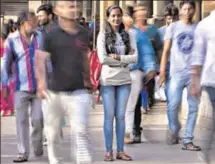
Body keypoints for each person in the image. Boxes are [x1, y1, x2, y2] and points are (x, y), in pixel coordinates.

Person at [35, 1, 93, 164]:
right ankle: (54, 157)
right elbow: (40, 59)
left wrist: (88, 79)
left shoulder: (83, 32)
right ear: (57, 11)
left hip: (78, 89)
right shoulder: (50, 34)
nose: (74, 9)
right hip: (54, 91)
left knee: (80, 129)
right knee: (53, 133)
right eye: (69, 6)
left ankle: (82, 159)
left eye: (75, 6)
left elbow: (84, 57)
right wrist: (41, 84)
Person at [1, 11, 44, 163]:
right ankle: (23, 152)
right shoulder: (11, 40)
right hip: (20, 87)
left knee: (38, 119)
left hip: (39, 87)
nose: (35, 24)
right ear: (22, 23)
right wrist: (4, 85)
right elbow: (5, 63)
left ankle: (38, 144)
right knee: (21, 120)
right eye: (31, 22)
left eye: (35, 21)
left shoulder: (40, 37)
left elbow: (47, 59)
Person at [97, 4, 138, 161]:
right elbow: (102, 59)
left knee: (120, 116)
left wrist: (118, 58)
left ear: (122, 17)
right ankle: (108, 151)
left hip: (124, 80)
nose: (116, 18)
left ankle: (120, 150)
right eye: (113, 15)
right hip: (107, 80)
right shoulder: (102, 35)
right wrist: (124, 60)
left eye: (118, 15)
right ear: (108, 18)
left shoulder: (129, 35)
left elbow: (135, 58)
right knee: (109, 116)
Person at [159, 1, 201, 151]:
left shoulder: (198, 28)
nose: (188, 11)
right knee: (173, 105)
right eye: (185, 9)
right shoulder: (173, 27)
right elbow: (166, 50)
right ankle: (174, 127)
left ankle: (188, 139)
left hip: (193, 73)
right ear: (181, 11)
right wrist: (162, 71)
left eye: (191, 9)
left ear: (194, 10)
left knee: (193, 106)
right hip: (176, 72)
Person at [123, 5, 156, 144]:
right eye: (124, 16)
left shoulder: (139, 34)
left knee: (130, 106)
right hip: (116, 73)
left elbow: (147, 52)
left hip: (134, 72)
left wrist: (150, 68)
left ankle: (127, 133)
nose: (126, 19)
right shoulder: (112, 33)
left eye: (129, 16)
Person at [190, 10, 215, 164]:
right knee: (210, 123)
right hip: (212, 81)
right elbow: (198, 55)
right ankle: (204, 154)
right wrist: (195, 80)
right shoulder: (206, 24)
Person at [157, 3, 179, 102]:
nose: (172, 21)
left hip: (179, 66)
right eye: (169, 18)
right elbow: (158, 51)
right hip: (167, 66)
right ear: (166, 19)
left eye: (174, 18)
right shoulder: (160, 32)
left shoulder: (182, 30)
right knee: (169, 93)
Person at [0, 23, 16, 116]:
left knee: (3, 87)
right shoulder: (12, 40)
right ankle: (10, 108)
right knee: (10, 88)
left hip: (2, 64)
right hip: (11, 65)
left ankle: (3, 107)